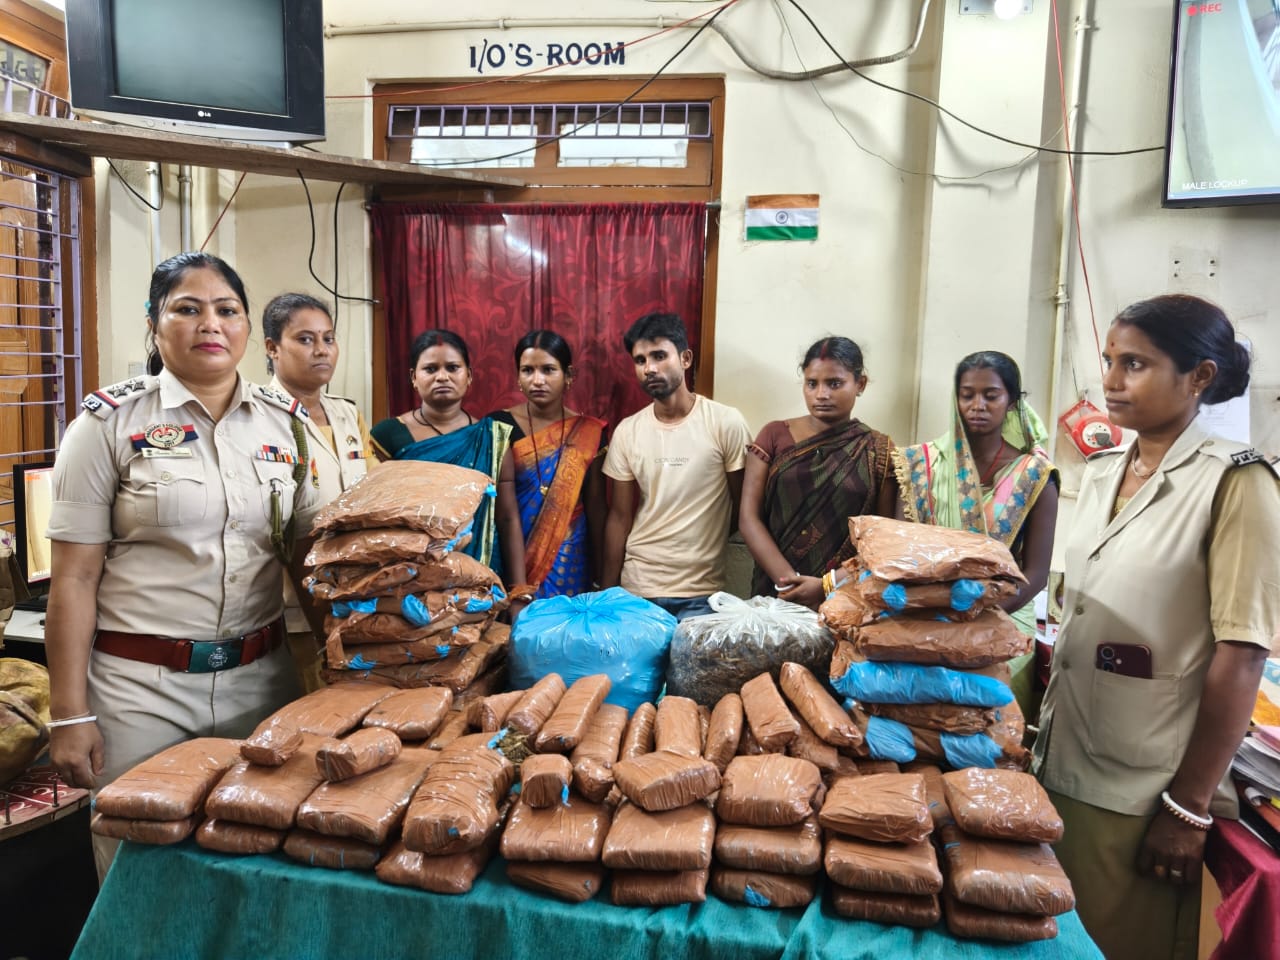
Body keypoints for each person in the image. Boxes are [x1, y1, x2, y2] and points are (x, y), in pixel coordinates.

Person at [43, 252, 322, 879]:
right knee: (137, 874)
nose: (210, 325)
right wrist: (69, 713)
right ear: (154, 322)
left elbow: (309, 562)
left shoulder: (286, 426)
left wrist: (343, 668)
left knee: (257, 869)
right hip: (139, 694)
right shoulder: (108, 425)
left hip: (262, 684)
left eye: (227, 310)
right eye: (187, 309)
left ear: (250, 329)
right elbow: (74, 579)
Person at [1032, 295, 1280, 960]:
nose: (1111, 381)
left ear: (1199, 376)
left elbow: (1242, 652)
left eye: (1135, 364)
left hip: (1143, 789)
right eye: (1111, 361)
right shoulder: (1105, 469)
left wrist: (1188, 807)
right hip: (1065, 759)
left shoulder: (1235, 483)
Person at [894, 351, 1059, 714]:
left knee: (991, 726)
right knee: (924, 723)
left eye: (991, 395)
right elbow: (898, 551)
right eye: (967, 394)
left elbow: (1036, 574)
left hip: (1003, 619)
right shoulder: (921, 465)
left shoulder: (1035, 476)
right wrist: (937, 614)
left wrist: (978, 618)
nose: (977, 405)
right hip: (927, 615)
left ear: (1012, 402)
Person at [601, 312, 752, 621]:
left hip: (701, 592)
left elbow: (744, 506)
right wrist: (607, 592)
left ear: (685, 358)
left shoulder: (725, 422)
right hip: (637, 588)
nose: (649, 368)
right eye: (640, 360)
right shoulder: (628, 431)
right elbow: (619, 517)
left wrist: (703, 539)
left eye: (659, 355)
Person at [262, 292, 377, 691]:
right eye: (305, 339)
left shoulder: (347, 414)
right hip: (292, 606)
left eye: (328, 339)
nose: (321, 350)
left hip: (355, 596)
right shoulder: (257, 417)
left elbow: (375, 490)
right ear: (273, 348)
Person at [739, 336, 898, 610]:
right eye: (812, 383)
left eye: (834, 383)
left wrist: (827, 585)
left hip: (846, 595)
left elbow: (882, 538)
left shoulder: (877, 450)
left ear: (860, 384)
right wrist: (788, 581)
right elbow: (748, 518)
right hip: (775, 592)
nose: (821, 394)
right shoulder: (775, 435)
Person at [369, 329, 516, 580]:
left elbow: (507, 517)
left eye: (452, 367)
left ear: (468, 376)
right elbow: (375, 517)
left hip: (478, 573)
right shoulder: (388, 435)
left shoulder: (492, 437)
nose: (442, 377)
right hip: (408, 575)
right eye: (430, 369)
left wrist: (519, 588)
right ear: (413, 377)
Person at [490, 330, 606, 600]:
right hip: (512, 556)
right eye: (527, 370)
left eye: (548, 370)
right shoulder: (499, 425)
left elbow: (597, 509)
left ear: (569, 376)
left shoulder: (589, 432)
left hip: (570, 561)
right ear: (518, 377)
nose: (537, 380)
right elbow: (496, 508)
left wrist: (604, 579)